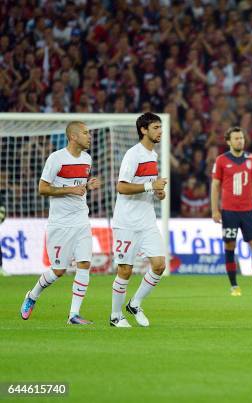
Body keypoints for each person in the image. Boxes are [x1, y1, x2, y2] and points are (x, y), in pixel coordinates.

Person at [20, 122, 101, 324]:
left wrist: (87, 186)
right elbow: (43, 188)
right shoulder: (56, 158)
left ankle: (73, 314)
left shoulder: (87, 159)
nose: (89, 137)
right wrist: (70, 190)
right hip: (60, 223)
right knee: (58, 271)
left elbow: (78, 186)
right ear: (73, 137)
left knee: (84, 264)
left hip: (81, 219)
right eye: (85, 133)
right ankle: (32, 295)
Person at [109, 112, 168, 328]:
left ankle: (135, 303)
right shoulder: (133, 154)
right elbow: (121, 186)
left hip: (147, 220)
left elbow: (150, 186)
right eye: (155, 127)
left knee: (159, 265)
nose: (160, 131)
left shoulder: (153, 156)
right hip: (126, 222)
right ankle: (115, 315)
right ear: (143, 130)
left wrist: (158, 192)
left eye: (160, 127)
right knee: (125, 270)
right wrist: (150, 186)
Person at [211, 127, 252, 297]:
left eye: (242, 138)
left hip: (248, 211)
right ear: (229, 141)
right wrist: (215, 210)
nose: (240, 141)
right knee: (229, 245)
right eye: (236, 138)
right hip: (229, 211)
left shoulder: (251, 159)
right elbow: (215, 186)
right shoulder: (221, 160)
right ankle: (234, 286)